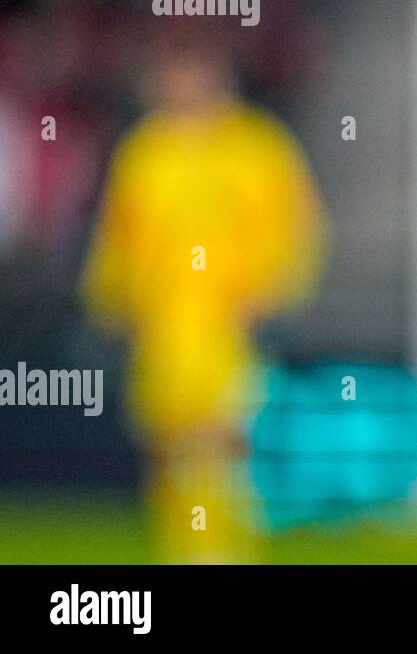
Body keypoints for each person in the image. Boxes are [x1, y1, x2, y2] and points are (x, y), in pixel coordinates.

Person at [81, 35, 329, 563]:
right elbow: (119, 239)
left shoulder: (258, 148)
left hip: (229, 326)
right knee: (171, 447)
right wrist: (110, 301)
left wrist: (271, 294)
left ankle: (222, 550)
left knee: (224, 440)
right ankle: (185, 550)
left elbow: (298, 231)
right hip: (164, 327)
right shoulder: (145, 151)